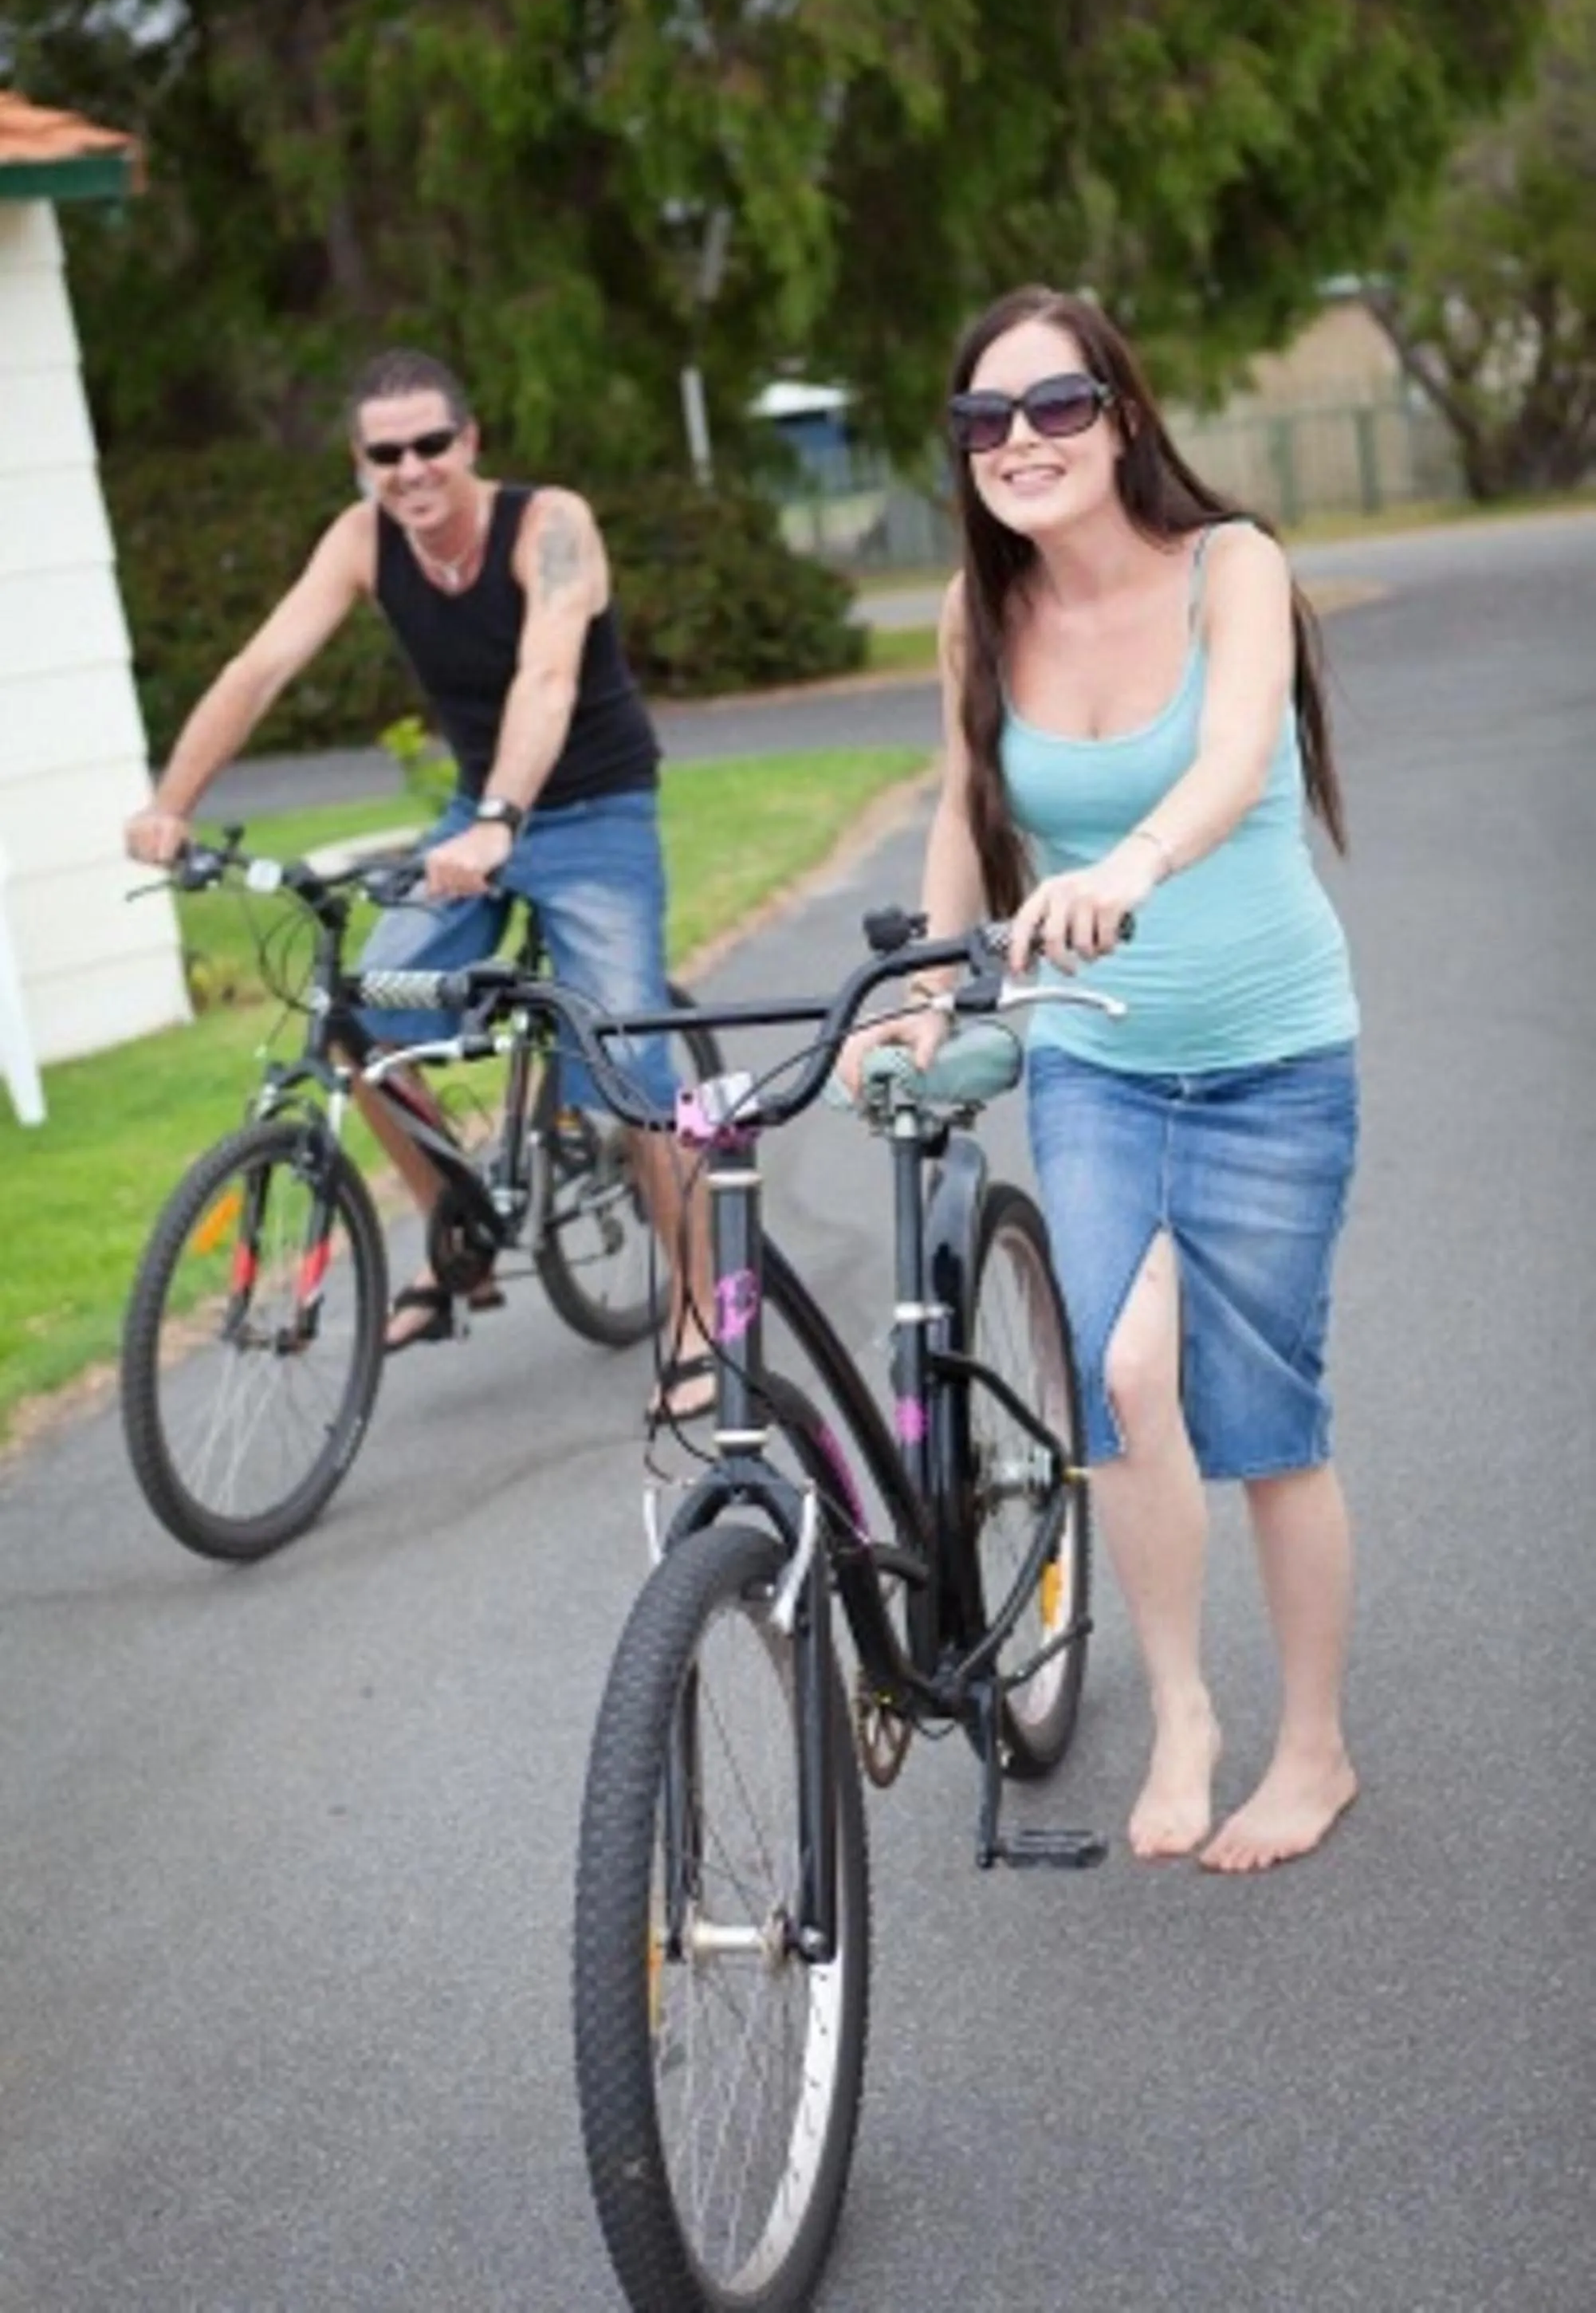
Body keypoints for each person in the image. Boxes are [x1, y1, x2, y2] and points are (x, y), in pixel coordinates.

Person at [846, 285, 1361, 1873]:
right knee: (1126, 1377)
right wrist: (920, 994)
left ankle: (1314, 1748)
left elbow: (1230, 758)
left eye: (1055, 405)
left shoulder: (1229, 566)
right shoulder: (976, 610)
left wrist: (1126, 866)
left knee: (1263, 1420)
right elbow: (961, 808)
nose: (1020, 440)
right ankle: (1183, 1710)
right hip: (1091, 1051)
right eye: (983, 419)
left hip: (1271, 1050)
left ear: (1121, 417)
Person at [125, 346, 715, 1415]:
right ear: (361, 462)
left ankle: (699, 1319)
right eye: (385, 453)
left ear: (469, 441)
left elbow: (547, 677)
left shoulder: (550, 525)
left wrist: (500, 820)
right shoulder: (362, 541)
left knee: (632, 1065)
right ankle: (458, 1234)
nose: (410, 470)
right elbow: (259, 669)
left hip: (592, 812)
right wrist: (173, 803)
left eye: (430, 444)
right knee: (361, 1017)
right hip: (473, 820)